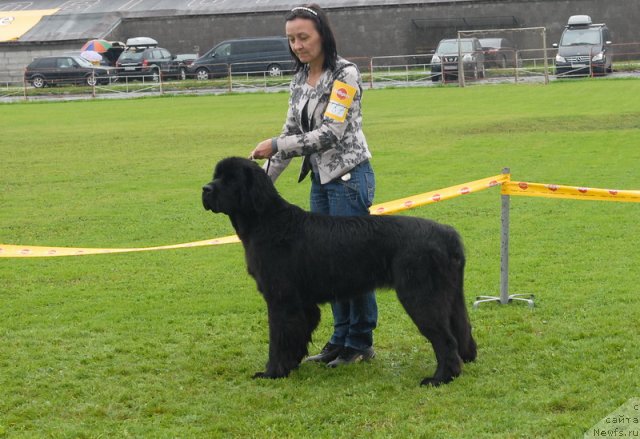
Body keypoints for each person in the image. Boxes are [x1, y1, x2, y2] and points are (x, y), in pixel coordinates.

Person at [249, 3, 377, 368]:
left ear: (322, 34)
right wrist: (260, 185)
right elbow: (291, 133)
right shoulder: (299, 77)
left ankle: (359, 341)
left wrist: (275, 145)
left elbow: (329, 134)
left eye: (303, 37)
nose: (298, 45)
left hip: (349, 178)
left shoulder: (345, 74)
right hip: (320, 182)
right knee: (326, 267)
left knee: (354, 265)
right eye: (291, 39)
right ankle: (339, 338)